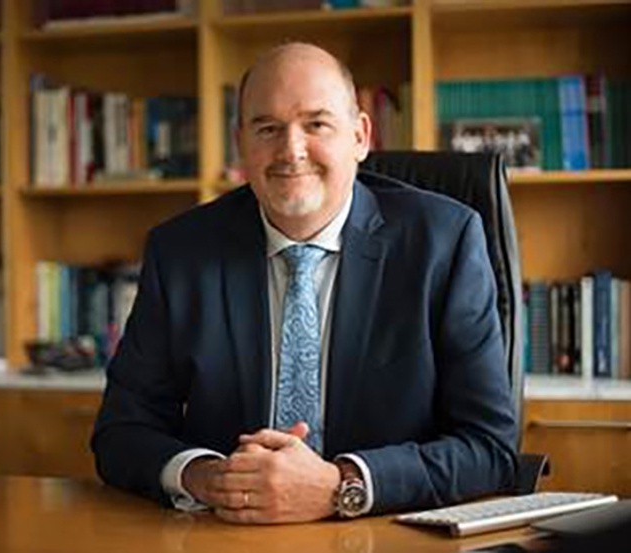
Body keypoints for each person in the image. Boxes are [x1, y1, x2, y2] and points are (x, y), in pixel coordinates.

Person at [91, 42, 518, 525]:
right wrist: (205, 476)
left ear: (360, 136)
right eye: (267, 128)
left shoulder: (444, 242)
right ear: (241, 145)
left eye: (316, 124)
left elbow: (490, 448)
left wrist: (342, 485)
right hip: (231, 535)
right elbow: (121, 431)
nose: (291, 150)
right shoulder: (181, 252)